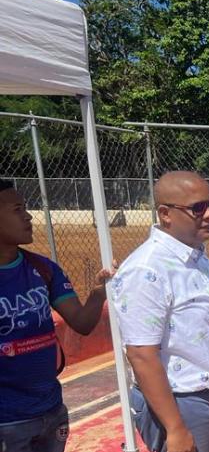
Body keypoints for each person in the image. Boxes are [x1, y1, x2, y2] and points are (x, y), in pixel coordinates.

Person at [111, 171, 209, 452]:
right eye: (197, 208)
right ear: (165, 214)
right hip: (178, 404)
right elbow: (141, 354)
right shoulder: (147, 269)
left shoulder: (196, 259)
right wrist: (175, 427)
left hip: (208, 396)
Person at [0, 179, 113, 452]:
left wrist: (98, 292)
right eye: (17, 209)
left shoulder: (43, 269)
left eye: (26, 207)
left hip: (51, 411)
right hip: (7, 422)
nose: (28, 216)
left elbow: (83, 323)